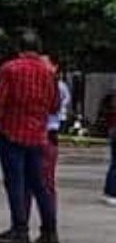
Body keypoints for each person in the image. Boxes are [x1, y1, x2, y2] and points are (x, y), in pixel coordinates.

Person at [0, 32, 62, 243]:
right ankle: (50, 232)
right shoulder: (48, 73)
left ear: (19, 48)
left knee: (16, 184)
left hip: (12, 132)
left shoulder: (10, 69)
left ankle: (20, 230)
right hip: (39, 136)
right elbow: (55, 105)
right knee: (41, 185)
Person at [44, 71, 71, 204]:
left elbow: (64, 100)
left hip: (52, 126)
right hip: (42, 127)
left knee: (48, 174)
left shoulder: (59, 86)